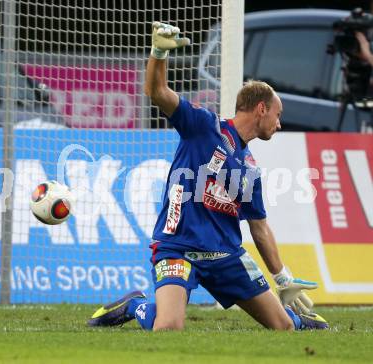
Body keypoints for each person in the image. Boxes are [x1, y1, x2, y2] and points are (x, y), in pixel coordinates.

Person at [88, 22, 329, 331]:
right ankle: (137, 305)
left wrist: (283, 277)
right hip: (178, 247)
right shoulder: (204, 125)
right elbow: (157, 92)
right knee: (168, 328)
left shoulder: (251, 168)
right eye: (278, 115)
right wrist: (159, 52)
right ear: (261, 109)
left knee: (283, 328)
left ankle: (297, 317)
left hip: (226, 256)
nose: (280, 124)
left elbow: (259, 227)